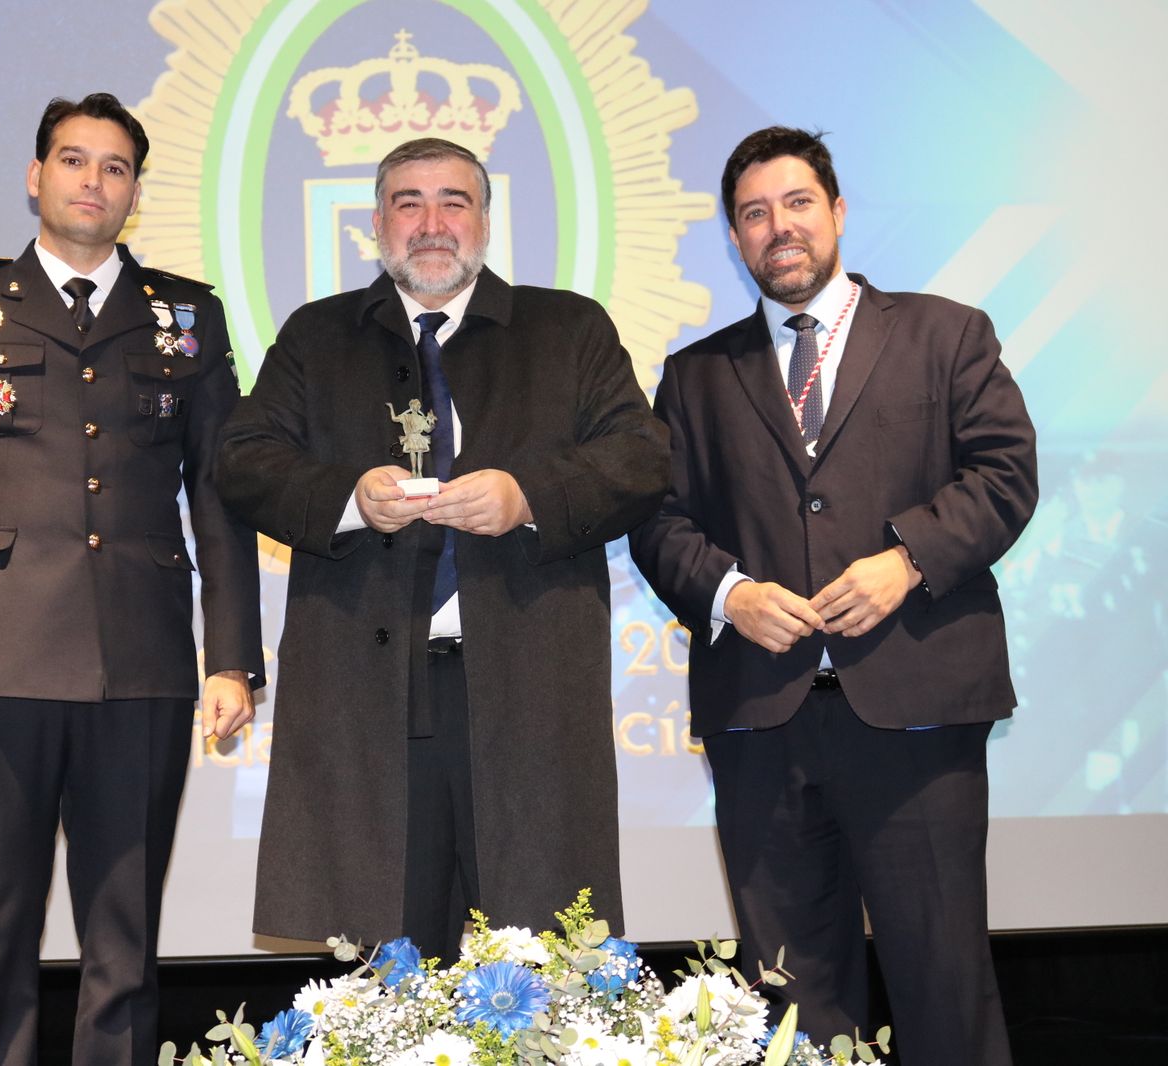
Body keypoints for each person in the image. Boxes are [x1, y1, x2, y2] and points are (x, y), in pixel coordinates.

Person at [630, 127, 1035, 1064]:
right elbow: (656, 518)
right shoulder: (695, 376)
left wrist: (908, 560)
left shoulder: (946, 333)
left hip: (917, 713)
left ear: (839, 211)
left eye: (798, 203)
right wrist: (728, 593)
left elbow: (1007, 473)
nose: (780, 228)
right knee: (790, 1002)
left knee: (943, 987)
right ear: (734, 239)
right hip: (762, 722)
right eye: (755, 214)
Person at [0, 92, 264, 1066]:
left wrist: (232, 663)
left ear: (135, 188)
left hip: (140, 668)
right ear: (35, 175)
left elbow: (219, 503)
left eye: (115, 166)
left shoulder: (184, 316)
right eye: (73, 160)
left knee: (124, 945)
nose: (93, 180)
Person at [217, 137, 669, 960]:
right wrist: (349, 500)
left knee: (542, 970)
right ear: (378, 223)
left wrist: (526, 496)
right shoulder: (318, 337)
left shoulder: (568, 328)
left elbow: (641, 458)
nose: (431, 224)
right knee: (388, 969)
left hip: (528, 691)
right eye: (408, 203)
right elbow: (242, 460)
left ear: (485, 220)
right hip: (370, 695)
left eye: (453, 202)